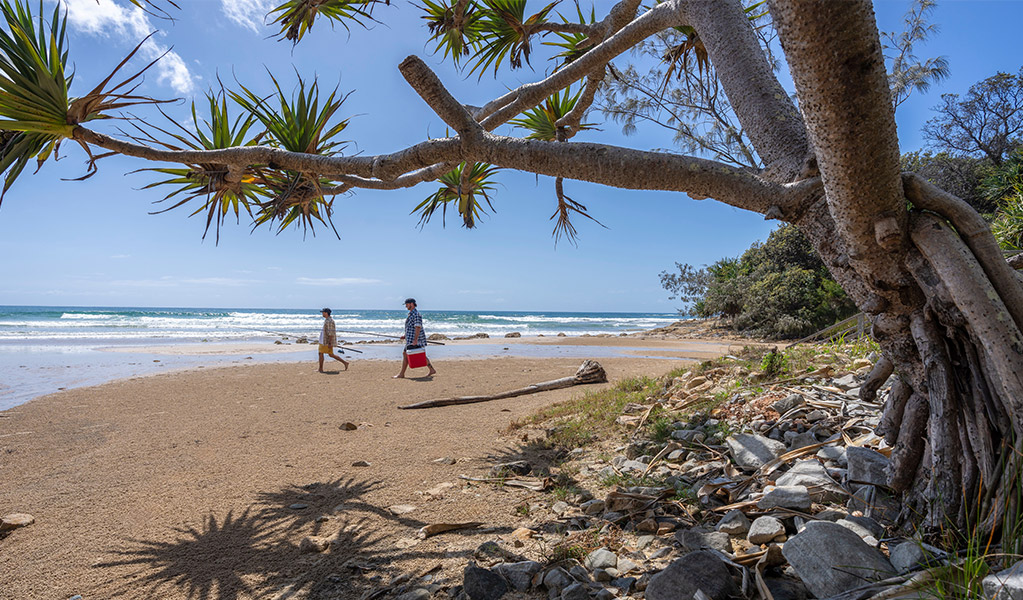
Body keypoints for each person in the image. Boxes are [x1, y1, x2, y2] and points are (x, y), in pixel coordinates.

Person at [393, 298, 436, 378]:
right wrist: (405, 336)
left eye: (407, 304)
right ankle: (431, 370)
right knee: (410, 354)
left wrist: (415, 340)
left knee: (413, 354)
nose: (406, 306)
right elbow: (411, 327)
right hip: (411, 338)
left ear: (411, 304)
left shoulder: (416, 314)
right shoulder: (411, 314)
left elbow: (418, 327)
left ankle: (402, 374)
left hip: (415, 339)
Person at [318, 308, 349, 373]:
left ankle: (320, 369)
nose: (322, 313)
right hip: (323, 340)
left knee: (322, 353)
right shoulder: (327, 320)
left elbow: (331, 333)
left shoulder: (329, 321)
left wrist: (330, 342)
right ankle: (345, 363)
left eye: (323, 312)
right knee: (329, 354)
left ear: (326, 313)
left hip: (326, 341)